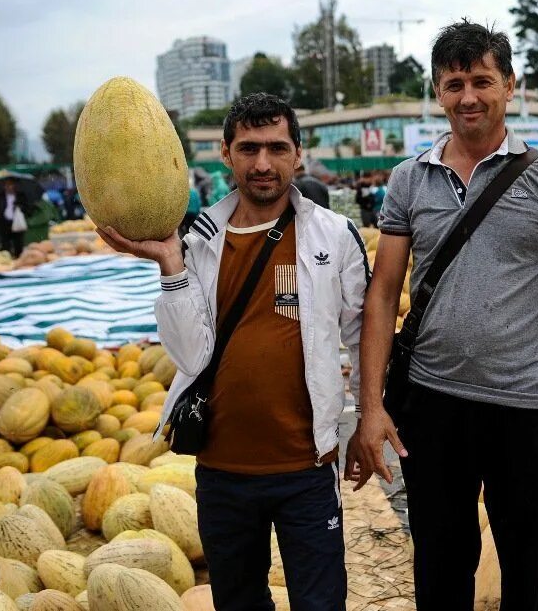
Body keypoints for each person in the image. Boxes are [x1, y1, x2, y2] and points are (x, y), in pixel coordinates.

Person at [346, 20, 538, 611]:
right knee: (440, 568)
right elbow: (382, 295)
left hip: (521, 408)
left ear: (510, 85)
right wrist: (372, 406)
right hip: (431, 407)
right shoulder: (409, 179)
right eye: (454, 83)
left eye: (482, 81)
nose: (469, 97)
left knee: (526, 576)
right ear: (438, 92)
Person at [99, 93, 368, 611]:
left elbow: (362, 334)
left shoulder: (333, 236)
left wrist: (369, 419)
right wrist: (169, 264)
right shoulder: (198, 240)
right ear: (226, 153)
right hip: (222, 471)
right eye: (248, 148)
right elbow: (190, 356)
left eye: (276, 148)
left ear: (298, 154)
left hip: (307, 468)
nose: (262, 164)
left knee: (321, 603)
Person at [0, 178, 28, 257]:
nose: (9, 186)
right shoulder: (0, 195)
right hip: (4, 221)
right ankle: (7, 257)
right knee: (5, 242)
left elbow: (26, 207)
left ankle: (18, 256)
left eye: (11, 184)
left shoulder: (20, 195)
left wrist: (19, 207)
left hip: (16, 221)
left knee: (18, 242)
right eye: (7, 185)